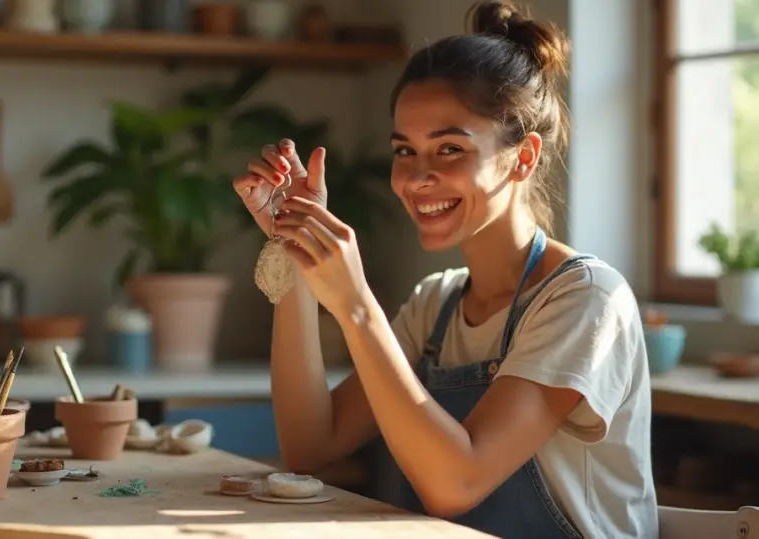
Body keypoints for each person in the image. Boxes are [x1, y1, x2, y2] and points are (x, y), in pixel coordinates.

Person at [232, 1, 657, 537]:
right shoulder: (436, 306)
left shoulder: (586, 300)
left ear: (523, 158)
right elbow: (310, 446)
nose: (416, 178)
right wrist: (293, 247)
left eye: (449, 148)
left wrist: (356, 305)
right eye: (404, 150)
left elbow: (456, 484)